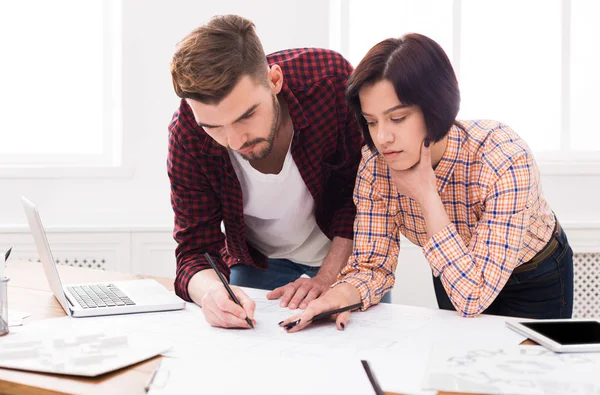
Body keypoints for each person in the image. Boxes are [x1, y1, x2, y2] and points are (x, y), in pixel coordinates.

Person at [281, 33, 574, 333]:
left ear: (435, 108)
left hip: (532, 275)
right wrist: (337, 297)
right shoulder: (375, 166)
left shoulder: (504, 157)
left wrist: (426, 194)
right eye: (371, 121)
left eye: (397, 118)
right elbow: (373, 265)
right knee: (460, 367)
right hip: (455, 266)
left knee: (530, 374)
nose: (382, 138)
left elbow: (473, 297)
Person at [167, 15, 388, 329]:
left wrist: (329, 277)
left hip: (349, 256)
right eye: (214, 127)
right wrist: (211, 293)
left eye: (246, 116)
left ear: (274, 81)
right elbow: (195, 250)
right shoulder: (187, 135)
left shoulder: (330, 82)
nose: (234, 141)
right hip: (259, 264)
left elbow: (362, 198)